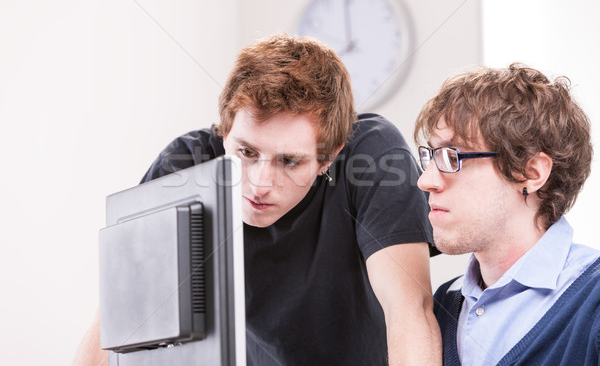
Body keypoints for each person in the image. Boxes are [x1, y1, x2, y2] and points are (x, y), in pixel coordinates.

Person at [74, 33, 441, 365]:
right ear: (224, 131)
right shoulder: (184, 164)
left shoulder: (375, 154)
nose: (260, 183)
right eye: (246, 152)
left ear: (328, 156)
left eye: (289, 161)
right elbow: (116, 323)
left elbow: (409, 307)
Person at [414, 63, 600, 365]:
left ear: (530, 172)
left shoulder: (592, 306)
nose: (426, 181)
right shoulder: (441, 307)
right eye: (431, 156)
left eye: (452, 157)